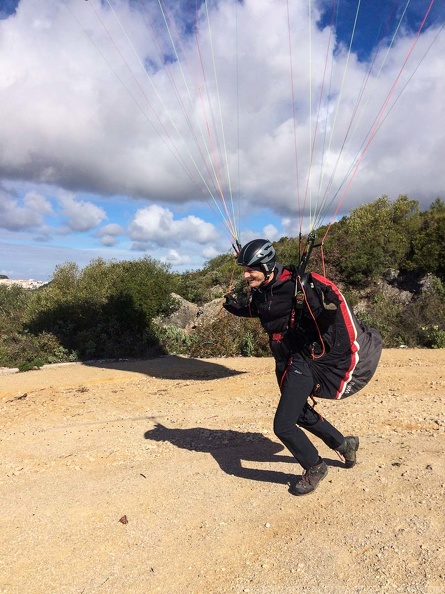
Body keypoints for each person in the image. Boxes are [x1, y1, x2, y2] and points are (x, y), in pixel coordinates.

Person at [223, 239, 382, 495]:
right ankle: (344, 444)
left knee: (283, 425)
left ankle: (315, 466)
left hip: (302, 359)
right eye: (244, 269)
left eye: (250, 269)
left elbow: (323, 316)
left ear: (265, 266)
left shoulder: (295, 285)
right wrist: (235, 308)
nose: (245, 274)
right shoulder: (263, 289)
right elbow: (263, 311)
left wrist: (325, 307)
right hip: (281, 359)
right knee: (299, 413)